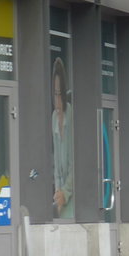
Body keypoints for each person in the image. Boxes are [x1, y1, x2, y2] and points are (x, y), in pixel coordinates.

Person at [50, 56, 75, 218]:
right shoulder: (53, 117)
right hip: (62, 195)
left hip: (73, 193)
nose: (57, 100)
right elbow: (56, 162)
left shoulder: (71, 114)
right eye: (55, 94)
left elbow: (75, 163)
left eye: (60, 94)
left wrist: (65, 192)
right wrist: (58, 191)